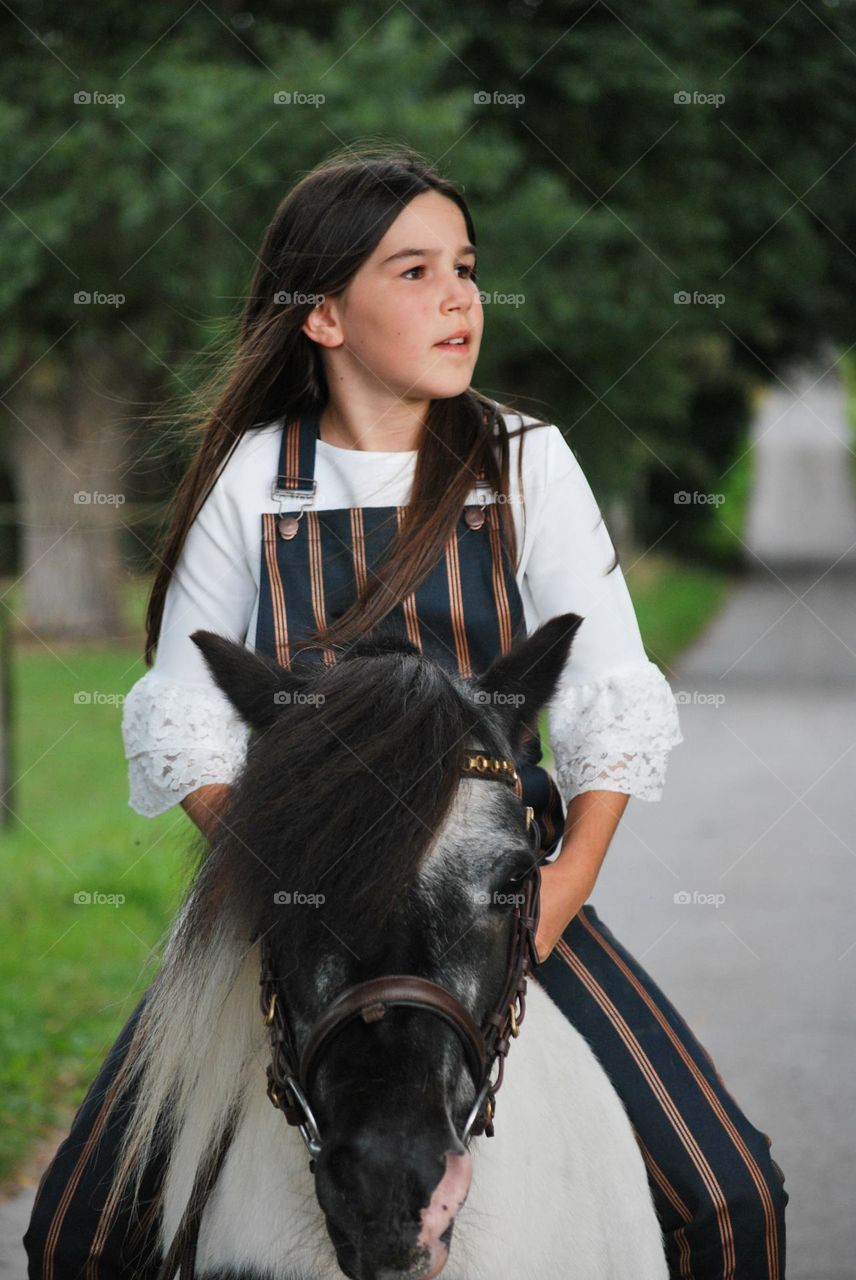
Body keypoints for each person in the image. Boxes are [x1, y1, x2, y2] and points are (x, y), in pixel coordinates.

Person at [24, 144, 787, 1280]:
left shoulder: (525, 462)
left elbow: (607, 699)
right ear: (323, 316)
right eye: (415, 271)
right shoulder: (253, 479)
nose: (459, 297)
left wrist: (558, 891)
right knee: (80, 1233)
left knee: (732, 1196)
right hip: (296, 913)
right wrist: (292, 874)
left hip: (483, 904)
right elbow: (183, 713)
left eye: (466, 267)